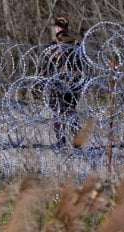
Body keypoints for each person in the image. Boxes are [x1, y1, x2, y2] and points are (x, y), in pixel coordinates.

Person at [41, 17, 83, 146]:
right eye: (57, 27)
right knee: (58, 112)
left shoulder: (73, 43)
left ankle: (76, 140)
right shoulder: (52, 44)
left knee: (70, 111)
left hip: (70, 83)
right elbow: (45, 65)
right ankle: (61, 140)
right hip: (56, 82)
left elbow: (80, 65)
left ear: (65, 28)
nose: (58, 29)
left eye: (60, 27)